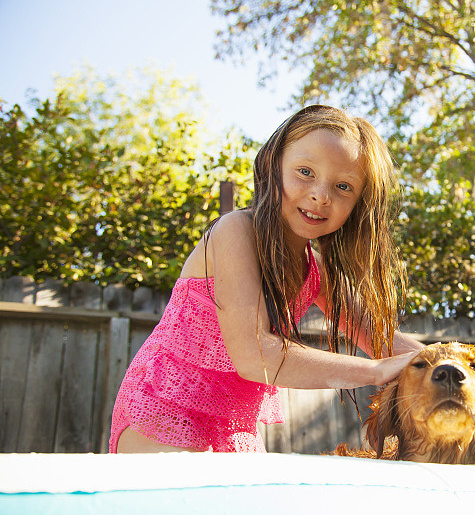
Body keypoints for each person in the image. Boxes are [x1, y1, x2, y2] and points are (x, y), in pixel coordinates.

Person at [110, 105, 423, 453]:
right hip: (161, 407)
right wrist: (376, 371)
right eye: (305, 172)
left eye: (343, 186)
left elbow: (383, 340)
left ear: (358, 204)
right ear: (274, 164)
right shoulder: (235, 231)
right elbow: (255, 355)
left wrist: (456, 365)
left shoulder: (316, 271)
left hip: (232, 425)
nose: (321, 195)